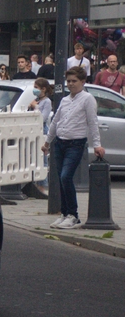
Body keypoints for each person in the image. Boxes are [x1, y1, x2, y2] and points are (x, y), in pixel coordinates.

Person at [42, 66, 105, 230]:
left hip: (75, 143)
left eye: (74, 81)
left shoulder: (87, 99)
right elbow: (56, 121)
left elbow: (92, 122)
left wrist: (97, 144)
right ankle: (64, 213)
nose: (70, 84)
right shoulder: (64, 100)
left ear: (83, 82)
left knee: (65, 177)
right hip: (60, 143)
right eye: (68, 81)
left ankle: (73, 215)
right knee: (61, 179)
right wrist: (48, 142)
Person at [30, 78, 53, 193]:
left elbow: (42, 117)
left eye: (36, 88)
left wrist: (36, 107)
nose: (34, 90)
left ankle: (42, 186)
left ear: (43, 89)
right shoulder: (36, 100)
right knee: (34, 157)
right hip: (34, 129)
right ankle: (35, 184)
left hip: (42, 130)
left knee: (42, 157)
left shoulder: (47, 102)